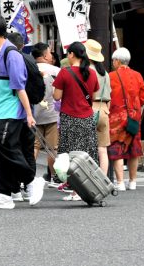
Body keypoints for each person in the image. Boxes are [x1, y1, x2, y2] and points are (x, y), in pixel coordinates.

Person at [0, 15, 43, 209]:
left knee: (7, 148)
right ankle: (4, 194)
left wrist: (29, 115)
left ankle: (31, 179)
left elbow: (19, 86)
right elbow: (2, 81)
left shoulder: (11, 53)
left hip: (10, 112)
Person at [52, 41, 99, 201]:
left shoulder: (65, 73)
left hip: (70, 118)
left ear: (72, 54)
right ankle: (86, 188)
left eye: (68, 54)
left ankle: (75, 190)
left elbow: (56, 96)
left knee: (70, 155)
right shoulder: (92, 73)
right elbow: (95, 93)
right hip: (87, 118)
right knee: (85, 154)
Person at [108, 48, 144, 191]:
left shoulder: (111, 76)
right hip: (133, 118)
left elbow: (108, 97)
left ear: (117, 61)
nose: (113, 63)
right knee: (133, 149)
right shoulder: (137, 75)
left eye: (113, 60)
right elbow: (143, 97)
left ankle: (120, 182)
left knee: (118, 148)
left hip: (116, 118)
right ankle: (133, 182)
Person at [31, 42, 61, 186]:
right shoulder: (56, 70)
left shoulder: (29, 69)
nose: (50, 55)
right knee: (52, 148)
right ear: (44, 55)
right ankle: (54, 177)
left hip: (33, 114)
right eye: (49, 53)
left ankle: (29, 177)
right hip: (52, 113)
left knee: (34, 146)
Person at [85, 39, 111, 175]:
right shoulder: (105, 73)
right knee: (102, 150)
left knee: (87, 149)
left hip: (89, 109)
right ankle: (103, 180)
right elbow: (109, 96)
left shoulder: (87, 71)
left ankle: (88, 180)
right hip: (104, 109)